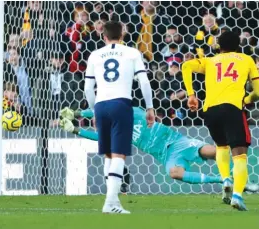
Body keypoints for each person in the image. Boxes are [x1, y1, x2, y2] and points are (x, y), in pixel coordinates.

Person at [59, 107, 259, 193]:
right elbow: (98, 137)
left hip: (177, 141)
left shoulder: (131, 112)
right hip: (166, 155)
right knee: (174, 173)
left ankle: (242, 176)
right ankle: (226, 181)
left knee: (213, 152)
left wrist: (78, 113)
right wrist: (76, 129)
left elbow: (100, 110)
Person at [182, 31, 259, 211]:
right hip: (232, 108)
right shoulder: (246, 59)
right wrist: (246, 100)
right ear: (238, 46)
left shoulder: (210, 61)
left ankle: (225, 179)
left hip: (210, 110)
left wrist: (191, 96)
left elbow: (186, 66)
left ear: (219, 46)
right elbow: (257, 92)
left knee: (221, 146)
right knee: (239, 155)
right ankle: (238, 196)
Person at [84, 21, 155, 214]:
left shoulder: (94, 55)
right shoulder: (132, 53)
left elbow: (88, 89)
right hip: (121, 104)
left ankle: (112, 201)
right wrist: (150, 107)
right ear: (122, 35)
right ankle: (110, 202)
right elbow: (144, 81)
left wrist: (93, 112)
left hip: (100, 105)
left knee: (108, 153)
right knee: (119, 155)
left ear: (104, 37)